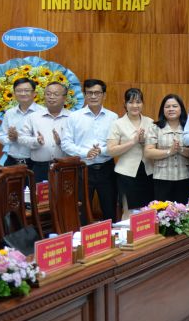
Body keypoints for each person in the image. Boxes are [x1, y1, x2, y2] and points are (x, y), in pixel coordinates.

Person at [61, 78, 119, 221]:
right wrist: (85, 152)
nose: (93, 96)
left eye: (97, 93)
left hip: (106, 169)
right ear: (85, 95)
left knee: (110, 209)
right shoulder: (74, 117)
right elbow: (66, 144)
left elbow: (117, 143)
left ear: (104, 95)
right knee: (81, 212)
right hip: (82, 169)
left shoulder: (113, 117)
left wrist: (101, 150)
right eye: (89, 93)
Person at [106, 88, 154, 217]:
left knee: (148, 210)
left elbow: (154, 146)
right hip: (126, 174)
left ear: (142, 103)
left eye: (138, 102)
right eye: (131, 102)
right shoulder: (117, 124)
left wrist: (143, 141)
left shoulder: (150, 122)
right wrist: (132, 142)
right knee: (129, 212)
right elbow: (111, 150)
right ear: (125, 104)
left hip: (148, 171)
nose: (135, 106)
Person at [18, 81, 70, 182]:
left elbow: (79, 142)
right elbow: (21, 138)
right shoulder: (33, 117)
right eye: (48, 94)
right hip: (39, 168)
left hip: (65, 167)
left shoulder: (73, 118)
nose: (51, 97)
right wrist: (36, 141)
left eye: (56, 94)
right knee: (39, 192)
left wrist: (61, 143)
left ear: (65, 98)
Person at [144, 94, 189, 204]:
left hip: (185, 177)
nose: (171, 109)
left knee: (183, 211)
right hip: (162, 178)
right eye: (167, 106)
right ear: (163, 110)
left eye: (175, 106)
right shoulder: (155, 127)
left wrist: (180, 149)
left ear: (181, 109)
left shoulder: (188, 127)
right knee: (162, 211)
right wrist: (169, 151)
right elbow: (148, 152)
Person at [0, 76, 45, 167]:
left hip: (36, 163)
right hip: (12, 161)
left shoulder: (43, 113)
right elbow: (1, 137)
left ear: (34, 93)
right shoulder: (9, 113)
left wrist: (18, 138)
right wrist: (10, 139)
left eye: (27, 90)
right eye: (19, 91)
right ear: (14, 94)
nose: (23, 93)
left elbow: (44, 140)